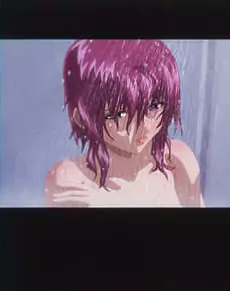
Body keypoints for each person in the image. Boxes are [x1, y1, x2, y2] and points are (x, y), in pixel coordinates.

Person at [45, 39, 204, 208]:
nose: (144, 125)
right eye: (120, 114)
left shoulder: (179, 160)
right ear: (81, 118)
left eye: (154, 106)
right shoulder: (71, 176)